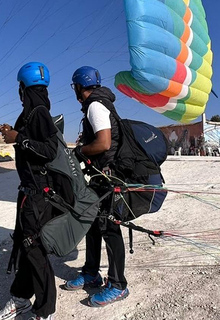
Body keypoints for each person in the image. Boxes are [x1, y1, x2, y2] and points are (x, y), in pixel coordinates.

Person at [0, 62, 57, 320]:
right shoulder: (30, 113)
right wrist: (13, 132)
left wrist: (19, 138)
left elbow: (49, 150)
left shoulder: (39, 112)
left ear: (23, 88)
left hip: (39, 195)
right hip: (29, 192)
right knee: (25, 246)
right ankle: (20, 297)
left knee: (34, 249)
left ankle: (45, 310)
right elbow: (25, 139)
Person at [65, 66, 129, 307]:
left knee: (109, 228)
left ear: (79, 87)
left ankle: (118, 285)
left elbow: (103, 144)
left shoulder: (96, 106)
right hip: (101, 176)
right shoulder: (99, 104)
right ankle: (91, 272)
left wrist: (79, 152)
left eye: (76, 87)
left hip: (110, 177)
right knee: (92, 223)